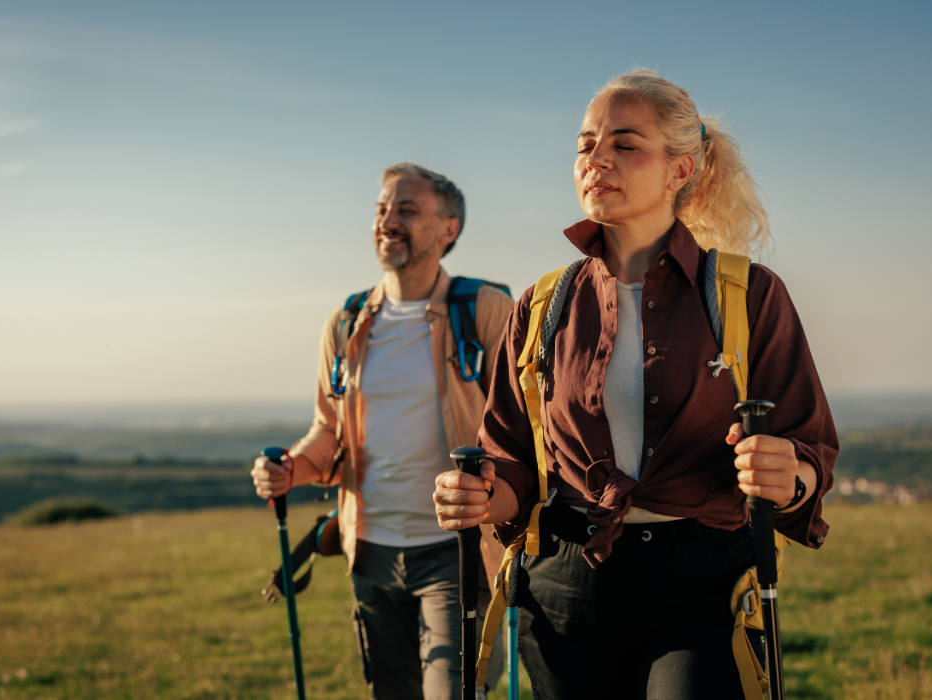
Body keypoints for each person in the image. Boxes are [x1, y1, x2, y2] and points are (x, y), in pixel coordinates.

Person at [433, 70, 838, 698]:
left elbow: (807, 443)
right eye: (586, 143)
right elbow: (510, 456)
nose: (597, 159)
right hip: (565, 588)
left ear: (681, 170)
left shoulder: (749, 294)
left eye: (625, 144)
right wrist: (482, 496)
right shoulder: (543, 303)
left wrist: (792, 477)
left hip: (702, 588)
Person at [251, 163, 514, 699]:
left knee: (456, 692)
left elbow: (521, 425)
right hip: (368, 550)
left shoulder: (485, 310)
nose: (387, 221)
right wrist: (292, 469)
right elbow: (330, 427)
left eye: (406, 210)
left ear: (449, 229)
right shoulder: (347, 322)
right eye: (381, 210)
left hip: (457, 549)